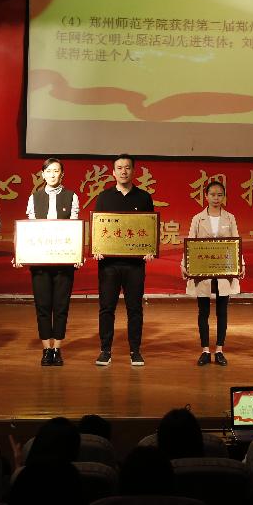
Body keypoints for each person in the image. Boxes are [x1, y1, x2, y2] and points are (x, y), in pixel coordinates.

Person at [92, 154, 155, 367]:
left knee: (134, 308)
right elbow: (99, 229)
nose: (123, 171)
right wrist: (97, 249)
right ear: (113, 172)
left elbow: (149, 229)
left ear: (133, 171)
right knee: (106, 308)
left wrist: (149, 249)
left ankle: (135, 351)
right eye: (119, 168)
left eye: (127, 167)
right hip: (108, 264)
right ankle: (105, 350)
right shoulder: (104, 197)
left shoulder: (144, 197)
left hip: (135, 264)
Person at [24, 157, 81, 367]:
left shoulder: (71, 196)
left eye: (56, 171)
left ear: (62, 174)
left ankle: (57, 348)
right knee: (43, 306)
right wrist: (23, 254)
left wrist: (76, 255)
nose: (52, 175)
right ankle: (46, 349)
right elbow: (30, 229)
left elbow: (75, 228)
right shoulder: (34, 198)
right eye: (48, 171)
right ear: (43, 174)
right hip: (40, 262)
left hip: (64, 262)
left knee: (61, 306)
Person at [182, 180, 244, 366]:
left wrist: (241, 264)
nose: (216, 198)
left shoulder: (230, 218)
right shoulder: (197, 218)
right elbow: (190, 242)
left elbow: (236, 243)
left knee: (222, 312)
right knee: (203, 312)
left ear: (223, 197)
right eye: (212, 194)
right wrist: (185, 265)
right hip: (203, 270)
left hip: (224, 269)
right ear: (206, 196)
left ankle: (219, 350)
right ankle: (205, 351)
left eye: (219, 195)